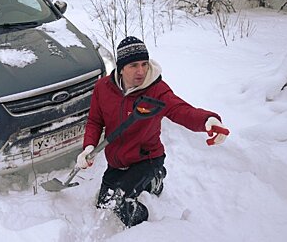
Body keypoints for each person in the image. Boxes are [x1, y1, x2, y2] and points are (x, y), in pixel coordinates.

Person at [77, 36, 230, 227]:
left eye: (144, 64)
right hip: (117, 160)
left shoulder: (156, 91)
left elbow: (180, 109)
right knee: (104, 203)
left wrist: (207, 120)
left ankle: (149, 211)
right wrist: (88, 147)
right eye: (133, 65)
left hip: (146, 158)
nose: (141, 71)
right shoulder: (103, 88)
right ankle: (145, 183)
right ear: (121, 67)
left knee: (119, 202)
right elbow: (94, 120)